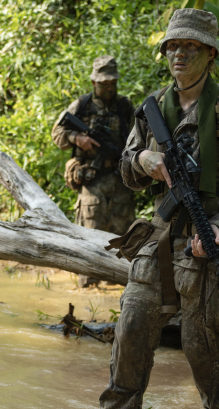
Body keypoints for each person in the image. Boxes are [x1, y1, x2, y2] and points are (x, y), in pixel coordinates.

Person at [98, 9, 219, 409]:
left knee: (203, 347)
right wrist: (144, 160)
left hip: (206, 242)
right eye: (172, 46)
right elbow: (127, 168)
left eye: (190, 47)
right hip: (160, 238)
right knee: (132, 328)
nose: (178, 54)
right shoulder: (153, 107)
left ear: (210, 53)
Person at [52, 55, 136, 287]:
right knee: (89, 233)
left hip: (120, 180)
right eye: (104, 83)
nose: (108, 87)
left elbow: (139, 137)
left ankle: (119, 282)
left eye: (112, 83)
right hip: (92, 179)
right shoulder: (81, 106)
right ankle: (88, 285)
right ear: (94, 83)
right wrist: (77, 138)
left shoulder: (125, 106)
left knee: (122, 233)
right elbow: (57, 134)